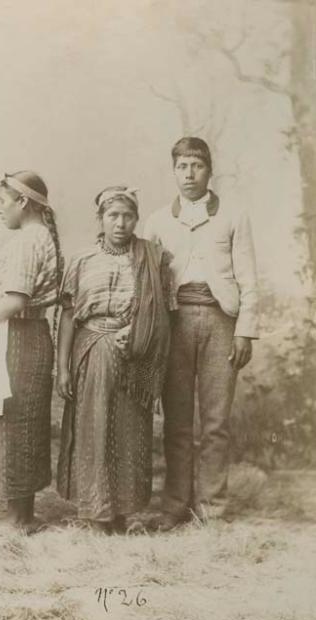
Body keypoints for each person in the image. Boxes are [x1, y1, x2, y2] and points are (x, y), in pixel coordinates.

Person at [144, 137, 259, 530]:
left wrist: (245, 331)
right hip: (174, 324)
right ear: (173, 170)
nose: (189, 174)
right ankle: (175, 504)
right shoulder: (158, 221)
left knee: (215, 421)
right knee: (176, 420)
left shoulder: (233, 215)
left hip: (219, 320)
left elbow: (247, 278)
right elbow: (148, 282)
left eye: (196, 166)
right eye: (181, 167)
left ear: (209, 170)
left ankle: (213, 506)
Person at [56, 186, 170, 534]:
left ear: (137, 219)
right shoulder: (81, 259)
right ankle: (96, 513)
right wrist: (62, 366)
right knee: (94, 428)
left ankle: (121, 512)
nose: (121, 223)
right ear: (100, 219)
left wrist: (135, 331)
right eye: (113, 216)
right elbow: (67, 315)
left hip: (134, 355)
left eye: (128, 216)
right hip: (91, 351)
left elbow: (159, 312)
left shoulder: (150, 257)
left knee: (129, 431)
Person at [0, 171, 62, 534]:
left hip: (18, 337)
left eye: (3, 203)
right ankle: (21, 514)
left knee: (18, 423)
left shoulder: (28, 241)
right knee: (23, 422)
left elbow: (15, 300)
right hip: (26, 335)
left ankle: (18, 519)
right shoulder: (39, 237)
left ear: (23, 202)